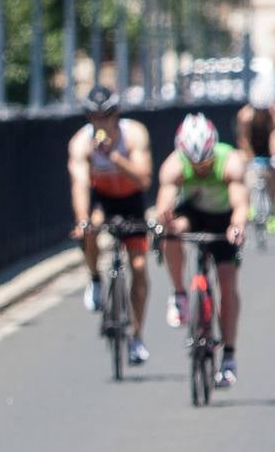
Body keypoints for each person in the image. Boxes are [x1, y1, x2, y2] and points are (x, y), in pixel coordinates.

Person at [154, 113, 248, 388]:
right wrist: (165, 219)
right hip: (193, 213)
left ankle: (229, 355)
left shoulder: (230, 163)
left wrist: (237, 226)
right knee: (170, 232)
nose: (201, 169)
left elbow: (241, 205)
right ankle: (179, 293)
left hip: (224, 216)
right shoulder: (174, 166)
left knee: (227, 282)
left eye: (205, 163)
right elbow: (164, 204)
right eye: (195, 164)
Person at [66, 85, 154, 363]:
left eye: (106, 115)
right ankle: (94, 278)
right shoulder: (80, 143)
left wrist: (114, 156)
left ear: (116, 114)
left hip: (132, 201)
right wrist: (81, 220)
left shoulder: (134, 134)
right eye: (94, 116)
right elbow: (79, 185)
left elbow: (144, 179)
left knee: (138, 268)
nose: (100, 122)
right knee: (90, 226)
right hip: (104, 200)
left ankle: (136, 336)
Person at [235, 85, 275, 233]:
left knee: (274, 178)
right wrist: (250, 158)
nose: (261, 113)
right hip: (251, 148)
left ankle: (274, 211)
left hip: (267, 148)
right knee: (246, 173)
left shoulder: (274, 114)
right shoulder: (245, 116)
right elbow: (243, 139)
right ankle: (249, 204)